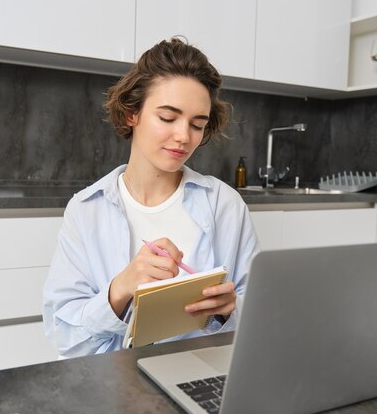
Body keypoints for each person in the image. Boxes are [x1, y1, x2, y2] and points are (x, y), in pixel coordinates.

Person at [42, 38, 260, 357]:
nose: (184, 136)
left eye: (197, 124)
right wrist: (120, 289)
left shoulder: (224, 205)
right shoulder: (86, 210)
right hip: (113, 385)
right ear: (133, 113)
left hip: (200, 374)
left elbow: (258, 316)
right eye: (168, 118)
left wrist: (230, 310)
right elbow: (65, 337)